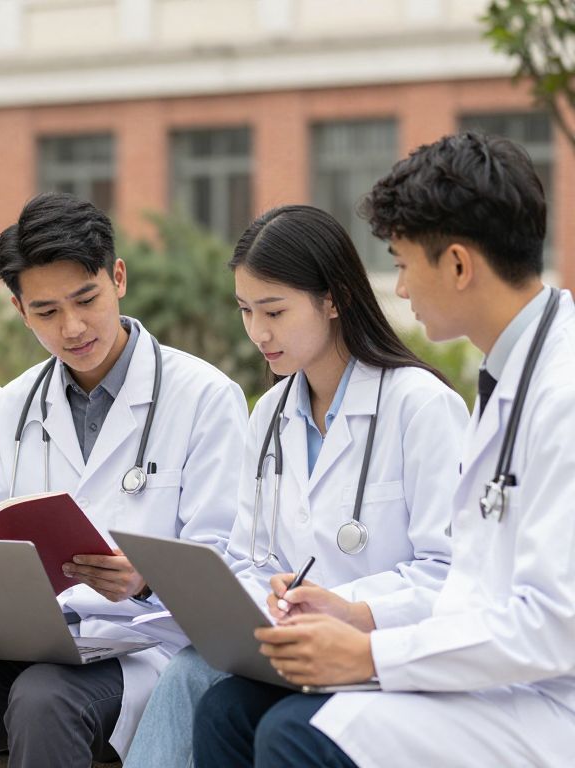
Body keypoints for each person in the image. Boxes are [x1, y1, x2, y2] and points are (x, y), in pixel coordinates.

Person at [194, 132, 575, 768]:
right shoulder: (512, 379)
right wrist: (347, 614)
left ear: (458, 266)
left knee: (294, 734)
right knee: (228, 710)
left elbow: (550, 624)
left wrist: (370, 648)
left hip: (541, 699)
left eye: (402, 264)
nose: (398, 290)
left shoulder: (558, 395)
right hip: (478, 669)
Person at [0, 192, 249, 767]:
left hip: (141, 647)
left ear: (118, 278)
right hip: (30, 641)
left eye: (86, 299)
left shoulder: (204, 397)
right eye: (47, 311)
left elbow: (223, 559)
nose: (73, 327)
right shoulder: (11, 407)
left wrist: (145, 580)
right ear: (19, 309)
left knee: (44, 698)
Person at [124, 204, 467, 768]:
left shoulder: (420, 406)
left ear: (333, 299)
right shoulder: (270, 416)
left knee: (266, 721)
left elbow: (451, 573)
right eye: (245, 311)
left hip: (384, 657)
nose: (258, 332)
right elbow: (251, 559)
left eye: (275, 311)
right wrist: (247, 605)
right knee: (218, 705)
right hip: (296, 656)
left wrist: (349, 608)